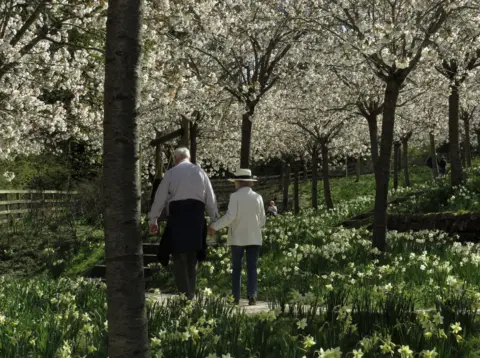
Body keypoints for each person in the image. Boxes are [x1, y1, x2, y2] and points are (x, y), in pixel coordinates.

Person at [149, 147, 218, 300]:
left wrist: (153, 219)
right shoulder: (201, 172)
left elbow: (160, 197)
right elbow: (211, 199)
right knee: (193, 256)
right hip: (196, 216)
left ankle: (183, 295)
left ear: (175, 159)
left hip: (178, 215)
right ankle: (191, 294)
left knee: (179, 257)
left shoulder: (171, 173)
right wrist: (214, 220)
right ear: (189, 157)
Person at [208, 169, 266, 306]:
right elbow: (262, 220)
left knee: (237, 268)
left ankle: (235, 297)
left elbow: (230, 217)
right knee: (252, 267)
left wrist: (214, 226)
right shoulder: (258, 197)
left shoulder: (235, 197)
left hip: (238, 237)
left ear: (238, 182)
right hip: (254, 236)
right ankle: (252, 296)